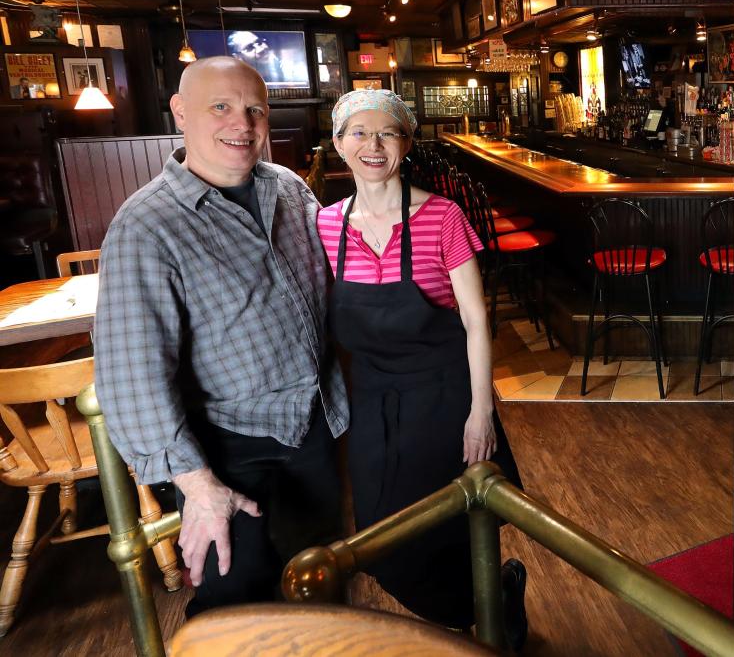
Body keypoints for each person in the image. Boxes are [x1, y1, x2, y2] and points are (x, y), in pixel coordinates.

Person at [94, 56, 347, 617]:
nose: (243, 123)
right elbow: (132, 375)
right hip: (228, 449)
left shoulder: (287, 189)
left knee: (320, 579)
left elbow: (335, 289)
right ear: (181, 113)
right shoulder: (146, 225)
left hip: (314, 425)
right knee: (237, 602)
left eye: (255, 109)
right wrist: (197, 486)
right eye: (221, 107)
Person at [316, 89, 527, 646]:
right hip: (373, 402)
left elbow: (477, 323)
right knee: (383, 544)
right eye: (358, 133)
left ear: (406, 143)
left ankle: (490, 617)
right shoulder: (326, 227)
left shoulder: (442, 216)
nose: (373, 145)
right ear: (339, 145)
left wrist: (481, 412)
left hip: (443, 395)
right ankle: (487, 603)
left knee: (455, 530)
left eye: (387, 133)